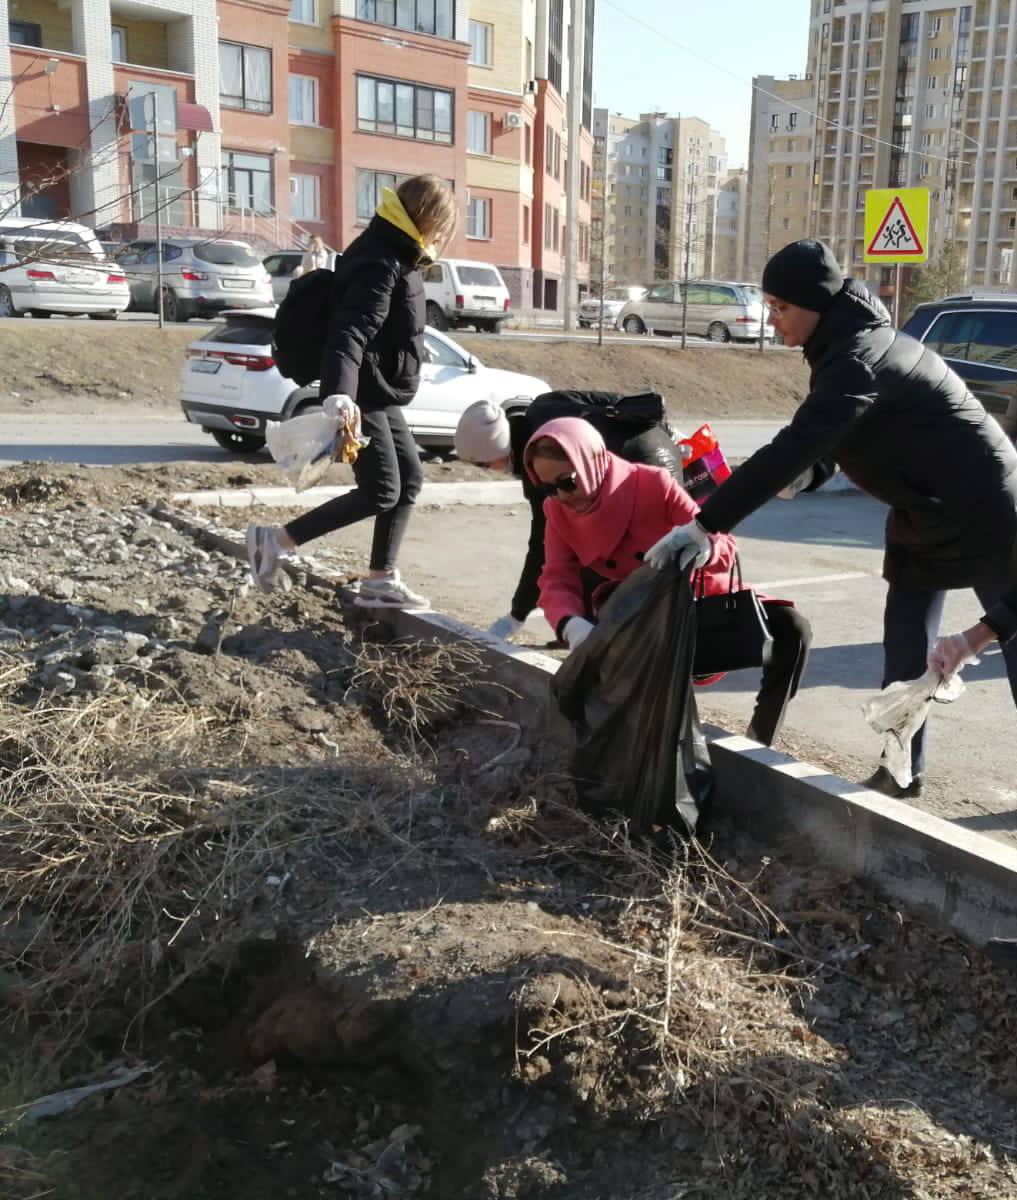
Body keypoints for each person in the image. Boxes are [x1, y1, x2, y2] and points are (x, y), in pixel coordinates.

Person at [643, 238, 1017, 798]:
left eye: (780, 308)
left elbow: (797, 443)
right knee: (904, 647)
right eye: (768, 307)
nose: (773, 322)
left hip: (988, 508)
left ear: (815, 304)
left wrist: (704, 524)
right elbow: (830, 443)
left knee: (1010, 639)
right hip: (924, 512)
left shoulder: (861, 358)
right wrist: (807, 478)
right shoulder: (845, 351)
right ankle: (900, 771)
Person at [527, 418, 812, 747]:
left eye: (567, 481)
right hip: (642, 622)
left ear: (590, 461)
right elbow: (556, 578)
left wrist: (704, 548)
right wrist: (570, 625)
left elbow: (722, 541)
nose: (560, 495)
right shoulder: (557, 511)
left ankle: (762, 743)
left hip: (701, 603)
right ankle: (665, 752)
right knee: (646, 705)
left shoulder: (651, 484)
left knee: (792, 629)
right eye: (546, 487)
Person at [247, 175, 458, 608]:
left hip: (378, 390)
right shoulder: (382, 260)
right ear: (428, 217)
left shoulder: (397, 252)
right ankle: (276, 541)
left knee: (409, 479)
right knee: (382, 488)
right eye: (443, 224)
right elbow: (350, 331)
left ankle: (380, 578)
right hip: (362, 392)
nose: (442, 235)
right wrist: (340, 395)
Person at [453, 394, 684, 639]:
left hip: (647, 456)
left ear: (498, 452)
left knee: (612, 557)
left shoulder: (544, 467)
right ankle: (580, 627)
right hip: (651, 440)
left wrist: (516, 616)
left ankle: (626, 637)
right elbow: (609, 398)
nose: (489, 471)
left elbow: (541, 551)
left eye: (485, 465)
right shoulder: (542, 410)